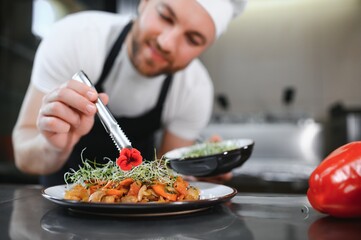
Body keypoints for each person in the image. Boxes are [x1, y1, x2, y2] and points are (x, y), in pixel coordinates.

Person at [12, 0, 247, 187]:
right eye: (165, 17)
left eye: (192, 39)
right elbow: (23, 157)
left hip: (138, 221)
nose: (167, 43)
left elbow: (164, 177)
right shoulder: (75, 38)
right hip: (61, 211)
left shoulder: (194, 89)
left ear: (203, 49)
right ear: (144, 2)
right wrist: (53, 147)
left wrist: (196, 173)